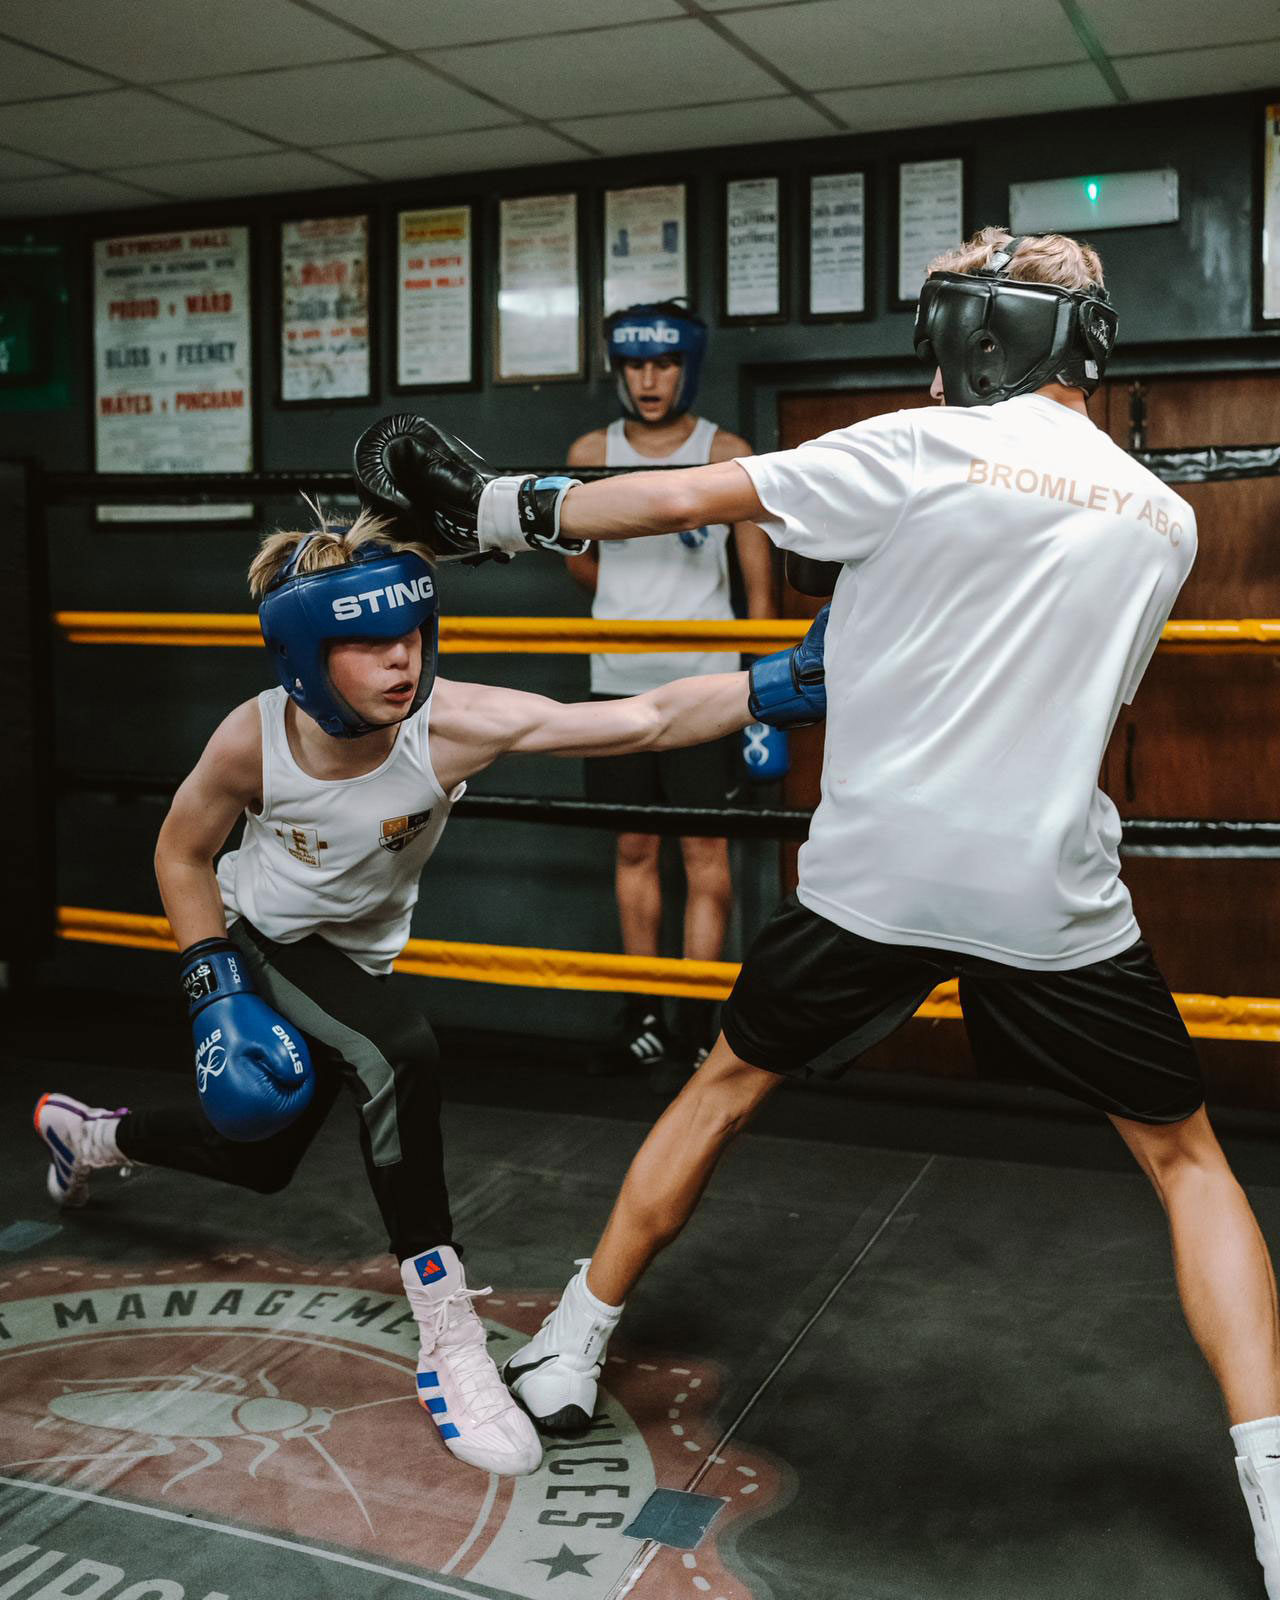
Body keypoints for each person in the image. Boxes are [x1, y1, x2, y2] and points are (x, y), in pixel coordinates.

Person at [353, 228, 1280, 1595]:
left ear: (974, 336)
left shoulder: (916, 445)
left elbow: (682, 497)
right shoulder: (1164, 517)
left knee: (725, 1087)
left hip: (875, 876)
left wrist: (489, 510)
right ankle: (1273, 1484)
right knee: (1187, 1163)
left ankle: (568, 1347)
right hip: (1046, 885)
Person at [34, 508, 825, 1484]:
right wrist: (214, 987)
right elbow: (181, 852)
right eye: (368, 644)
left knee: (259, 1156)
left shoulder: (449, 725)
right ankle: (449, 1342)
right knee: (397, 1051)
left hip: (351, 965)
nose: (401, 659)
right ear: (305, 658)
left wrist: (779, 682)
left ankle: (93, 1138)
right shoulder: (253, 740)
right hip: (261, 939)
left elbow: (643, 719)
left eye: (410, 634)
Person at [565, 303, 776, 1087]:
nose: (649, 381)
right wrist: (633, 601)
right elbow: (581, 563)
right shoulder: (591, 454)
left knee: (704, 853)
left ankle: (694, 1022)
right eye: (635, 365)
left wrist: (761, 697)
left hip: (705, 684)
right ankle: (646, 1017)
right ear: (620, 370)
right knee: (633, 848)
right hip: (616, 680)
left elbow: (759, 591)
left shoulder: (726, 455)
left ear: (687, 367)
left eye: (663, 364)